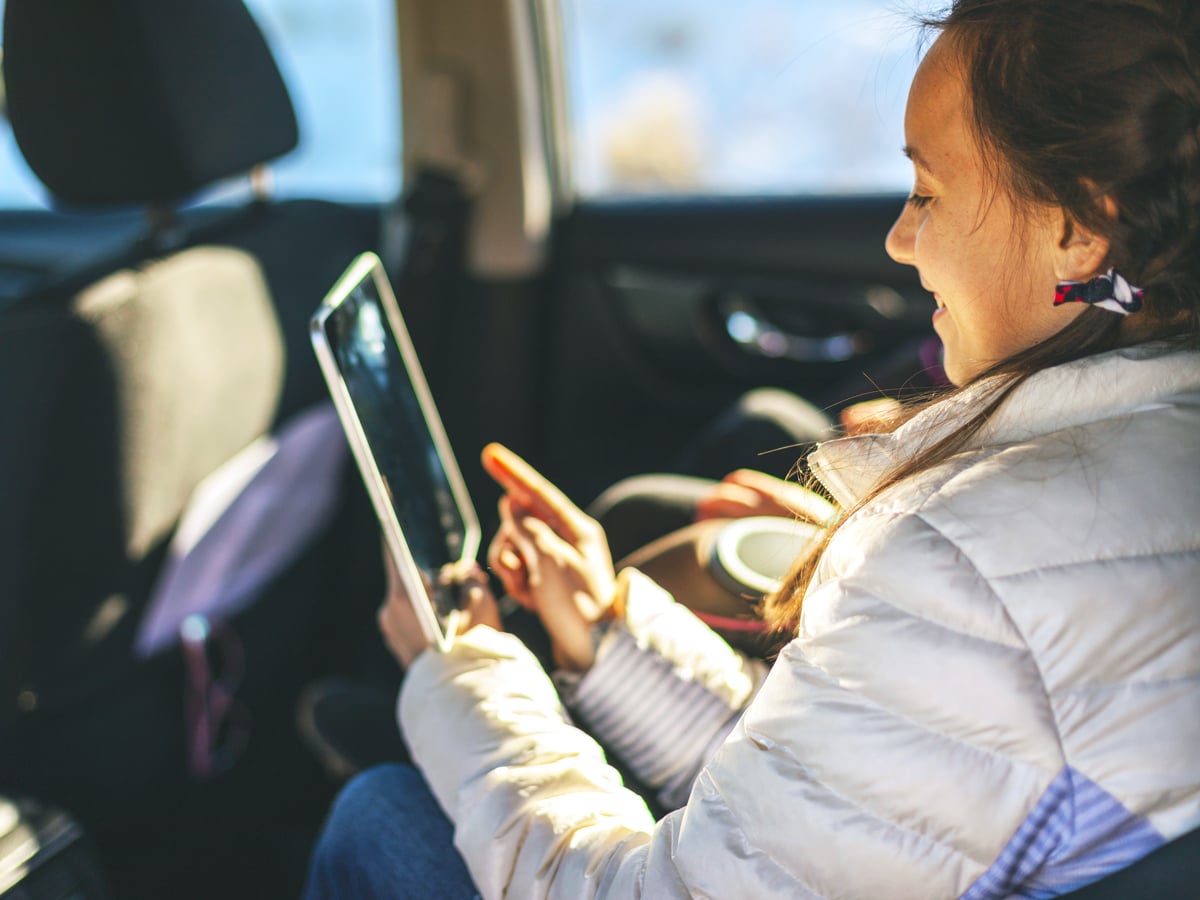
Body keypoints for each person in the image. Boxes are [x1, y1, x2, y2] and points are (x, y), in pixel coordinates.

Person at [304, 0, 1200, 896]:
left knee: (380, 815)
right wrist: (607, 640)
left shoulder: (972, 569)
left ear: (1080, 228)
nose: (899, 238)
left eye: (928, 192)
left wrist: (465, 673)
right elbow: (859, 808)